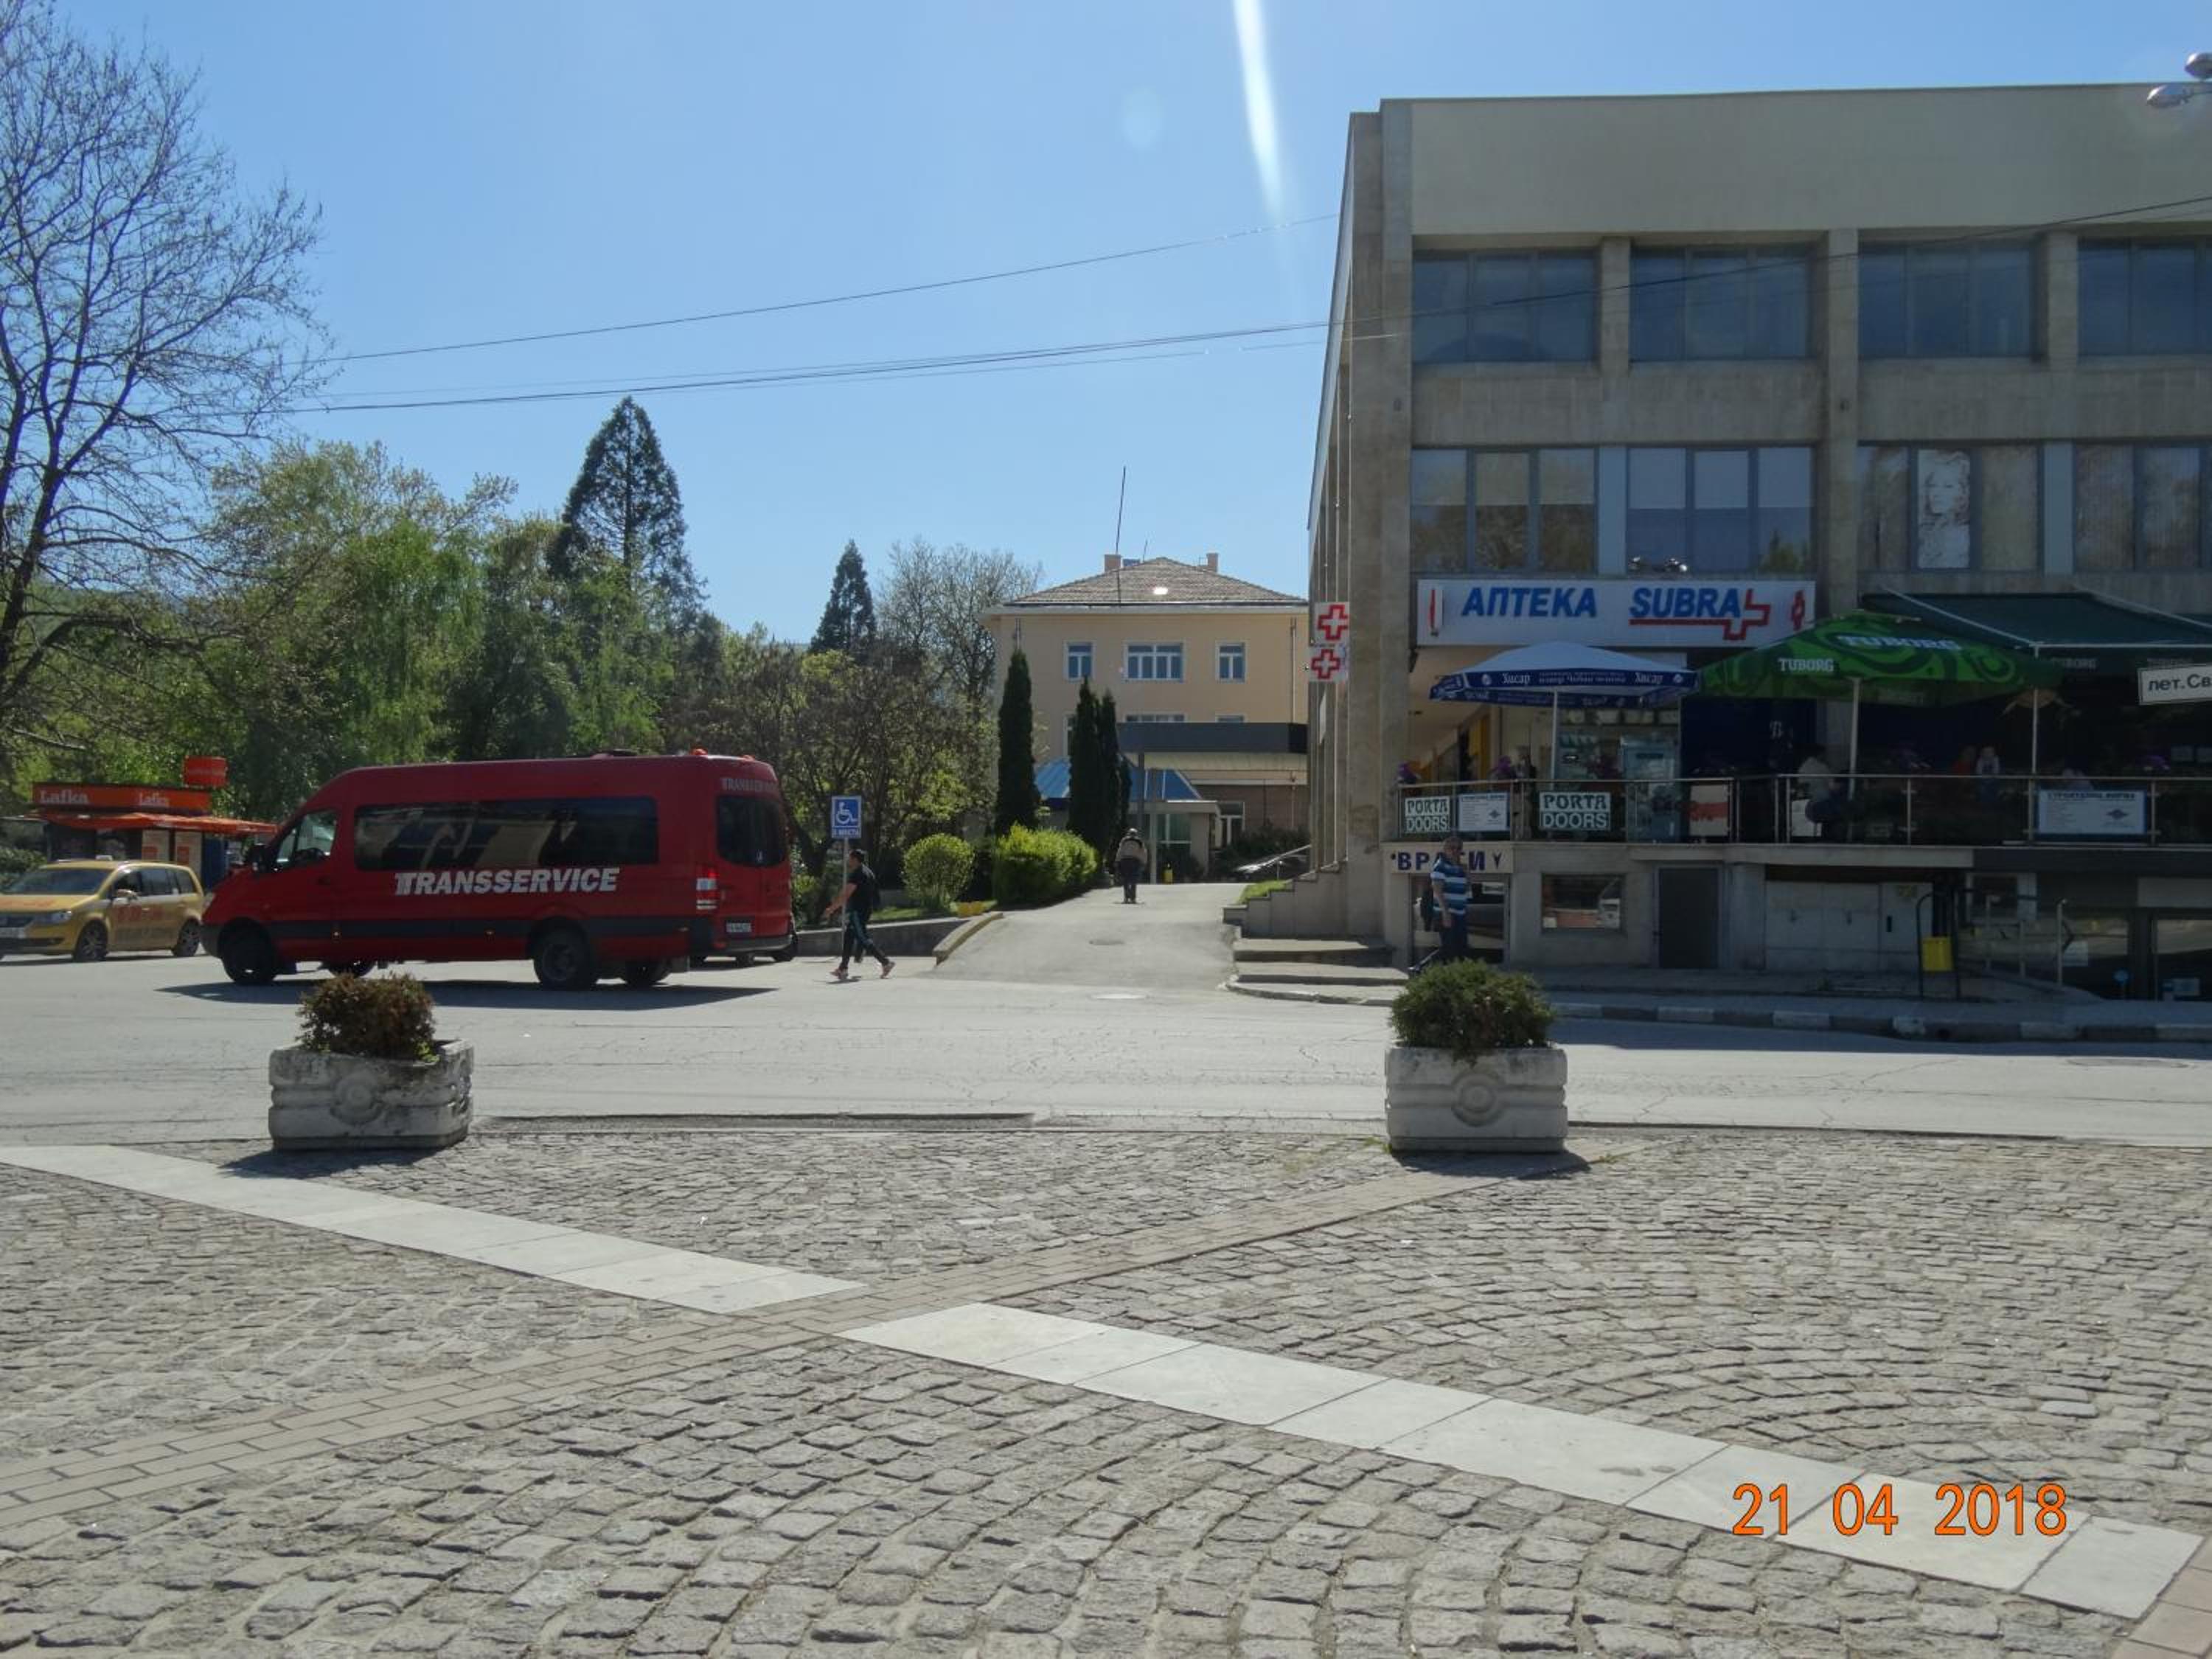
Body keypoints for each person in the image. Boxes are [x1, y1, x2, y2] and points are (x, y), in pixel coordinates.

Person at [821, 846, 893, 980]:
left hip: (858, 912)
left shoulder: (857, 874)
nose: (848, 860)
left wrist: (831, 909)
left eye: (849, 858)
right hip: (865, 910)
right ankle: (843, 969)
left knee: (863, 939)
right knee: (848, 937)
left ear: (854, 859)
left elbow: (846, 895)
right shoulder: (868, 872)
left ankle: (886, 962)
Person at [1427, 834, 1472, 965]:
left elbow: (1467, 889)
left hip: (1460, 913)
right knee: (1449, 948)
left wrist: (1467, 873)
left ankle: (1456, 972)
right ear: (1445, 850)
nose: (1455, 851)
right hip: (1446, 913)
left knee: (1461, 948)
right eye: (1452, 848)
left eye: (1458, 848)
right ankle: (1420, 968)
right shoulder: (1440, 866)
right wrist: (1445, 913)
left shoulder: (1461, 868)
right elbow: (1437, 890)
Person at [1115, 827, 1145, 904]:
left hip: (1126, 861)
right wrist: (1143, 862)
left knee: (1126, 880)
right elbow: (1143, 852)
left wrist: (1117, 860)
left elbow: (1120, 851)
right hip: (1135, 861)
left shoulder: (1124, 840)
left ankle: (1126, 898)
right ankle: (1133, 899)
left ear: (1129, 833)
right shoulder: (1139, 841)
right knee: (1134, 880)